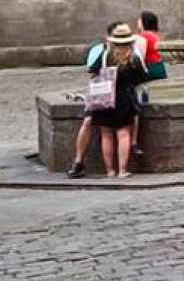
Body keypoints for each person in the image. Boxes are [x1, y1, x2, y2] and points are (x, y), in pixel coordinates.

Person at [85, 23, 148, 179]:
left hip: (105, 96)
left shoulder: (106, 54)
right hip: (124, 98)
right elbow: (142, 77)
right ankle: (122, 170)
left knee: (106, 134)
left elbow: (92, 70)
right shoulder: (133, 57)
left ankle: (109, 171)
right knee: (123, 134)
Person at [67, 21, 123, 178]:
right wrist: (107, 50)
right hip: (102, 91)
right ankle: (78, 161)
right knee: (88, 121)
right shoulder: (99, 49)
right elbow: (91, 68)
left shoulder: (130, 49)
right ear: (108, 37)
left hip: (122, 92)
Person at [130, 12, 165, 157]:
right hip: (159, 68)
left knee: (139, 99)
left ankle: (135, 140)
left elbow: (140, 57)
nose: (137, 21)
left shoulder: (144, 36)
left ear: (144, 22)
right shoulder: (155, 35)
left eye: (139, 19)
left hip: (149, 70)